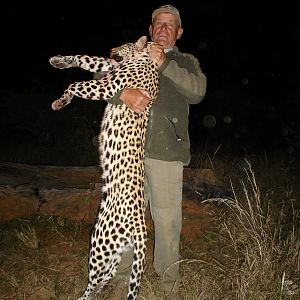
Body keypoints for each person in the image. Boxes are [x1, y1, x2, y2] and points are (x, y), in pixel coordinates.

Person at [96, 4, 207, 299]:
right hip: (126, 150)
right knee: (125, 217)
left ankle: (169, 286)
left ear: (179, 32)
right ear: (150, 29)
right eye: (159, 23)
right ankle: (120, 281)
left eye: (170, 25)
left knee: (168, 221)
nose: (163, 29)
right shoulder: (133, 52)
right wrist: (123, 93)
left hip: (166, 153)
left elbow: (198, 92)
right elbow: (99, 77)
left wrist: (165, 66)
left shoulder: (186, 60)